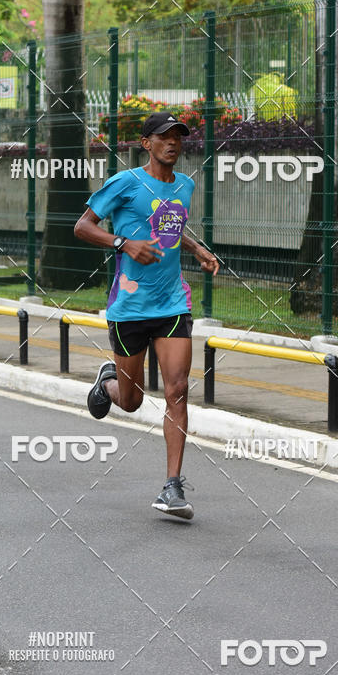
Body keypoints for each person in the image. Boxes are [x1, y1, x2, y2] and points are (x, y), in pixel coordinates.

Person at [74, 111, 219, 520]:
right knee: (134, 401)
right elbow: (82, 227)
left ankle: (172, 487)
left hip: (173, 304)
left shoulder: (186, 186)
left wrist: (196, 250)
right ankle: (109, 384)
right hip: (130, 307)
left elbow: (170, 227)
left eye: (178, 136)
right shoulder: (125, 182)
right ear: (146, 143)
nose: (172, 143)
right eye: (164, 136)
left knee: (177, 389)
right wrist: (123, 243)